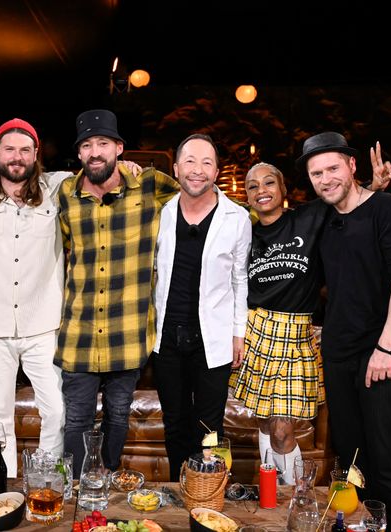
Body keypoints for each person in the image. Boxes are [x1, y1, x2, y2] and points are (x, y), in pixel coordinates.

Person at [229, 146, 391, 484]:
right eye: (252, 186)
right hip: (256, 329)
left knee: (281, 429)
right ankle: (269, 494)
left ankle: (296, 495)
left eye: (269, 183)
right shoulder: (243, 234)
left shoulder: (309, 217)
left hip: (294, 334)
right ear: (246, 195)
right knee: (265, 423)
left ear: (283, 189)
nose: (262, 191)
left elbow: (345, 197)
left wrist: (374, 185)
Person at [299, 131, 391, 532]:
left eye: (333, 168)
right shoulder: (323, 218)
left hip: (380, 353)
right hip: (337, 354)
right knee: (350, 463)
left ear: (352, 166)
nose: (325, 178)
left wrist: (386, 348)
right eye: (317, 173)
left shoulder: (389, 210)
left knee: (384, 463)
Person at [56, 109, 180, 477]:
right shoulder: (65, 193)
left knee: (118, 413)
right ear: (79, 154)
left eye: (104, 144)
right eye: (88, 145)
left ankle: (104, 481)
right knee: (75, 417)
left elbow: (202, 200)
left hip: (128, 330)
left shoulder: (151, 185)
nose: (96, 152)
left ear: (119, 149)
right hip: (78, 330)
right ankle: (75, 491)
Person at [0, 118, 71, 475]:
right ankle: (4, 489)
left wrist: (130, 166)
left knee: (56, 408)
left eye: (25, 150)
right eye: (9, 149)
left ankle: (46, 480)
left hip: (43, 325)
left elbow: (98, 175)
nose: (17, 156)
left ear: (36, 154)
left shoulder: (56, 188)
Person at [152, 134, 251, 481]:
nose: (198, 170)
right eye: (190, 162)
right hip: (166, 338)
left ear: (216, 171)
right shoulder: (160, 214)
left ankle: (210, 491)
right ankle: (182, 490)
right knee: (175, 422)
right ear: (176, 168)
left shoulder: (236, 217)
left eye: (207, 163)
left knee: (211, 427)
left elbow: (240, 280)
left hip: (214, 338)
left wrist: (239, 332)